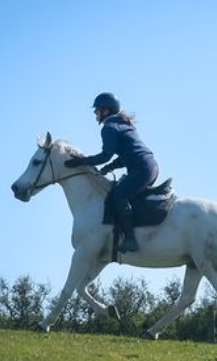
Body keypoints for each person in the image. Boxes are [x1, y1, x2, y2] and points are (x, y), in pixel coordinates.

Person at [64, 92, 159, 253]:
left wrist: (81, 161)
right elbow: (125, 156)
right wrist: (110, 167)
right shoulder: (122, 124)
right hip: (149, 167)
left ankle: (130, 239)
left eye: (97, 111)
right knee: (125, 194)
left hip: (141, 169)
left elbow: (105, 155)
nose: (95, 114)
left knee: (119, 196)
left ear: (106, 111)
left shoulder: (109, 127)